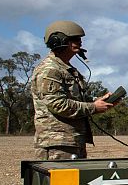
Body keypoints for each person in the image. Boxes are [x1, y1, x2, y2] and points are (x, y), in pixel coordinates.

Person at [29, 20, 116, 160]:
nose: (80, 42)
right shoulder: (50, 70)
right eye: (75, 39)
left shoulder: (65, 68)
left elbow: (74, 98)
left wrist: (97, 101)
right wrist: (93, 107)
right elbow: (58, 105)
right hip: (57, 144)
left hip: (72, 141)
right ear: (58, 41)